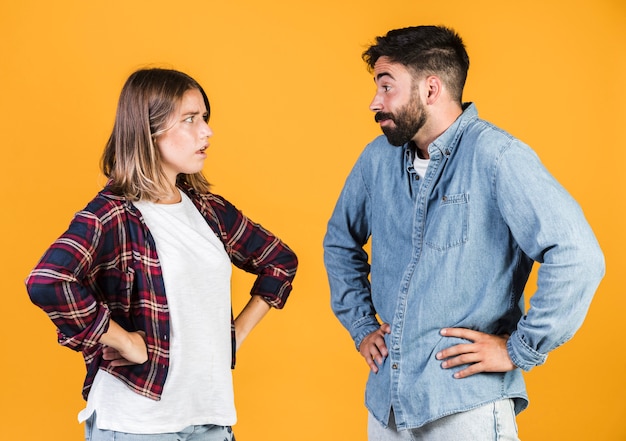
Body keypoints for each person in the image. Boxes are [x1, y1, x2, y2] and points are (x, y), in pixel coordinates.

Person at [323, 25, 604, 440]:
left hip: (464, 407)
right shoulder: (376, 159)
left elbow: (578, 254)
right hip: (388, 408)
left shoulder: (497, 157)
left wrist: (519, 348)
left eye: (387, 87)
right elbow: (339, 240)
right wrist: (362, 326)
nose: (374, 103)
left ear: (431, 89)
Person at [26, 68, 298, 441]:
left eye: (204, 117)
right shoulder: (112, 214)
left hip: (210, 417)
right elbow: (48, 281)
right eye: (190, 119)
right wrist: (123, 340)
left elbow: (280, 261)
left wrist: (235, 334)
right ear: (148, 131)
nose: (207, 131)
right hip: (137, 422)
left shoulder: (208, 210)